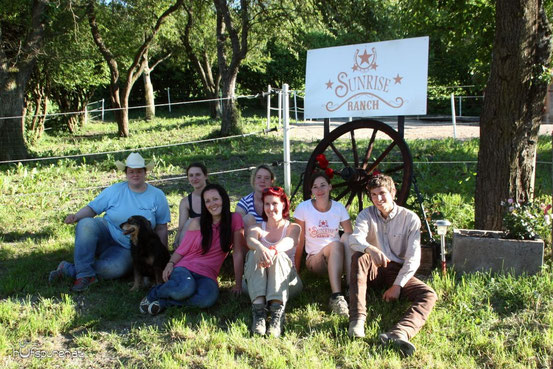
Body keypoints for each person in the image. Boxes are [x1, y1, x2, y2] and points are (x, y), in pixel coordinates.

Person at [48, 152, 171, 292]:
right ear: (126, 173)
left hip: (129, 246)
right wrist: (76, 216)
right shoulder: (115, 190)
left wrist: (164, 257)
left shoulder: (157, 195)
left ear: (145, 173)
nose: (135, 175)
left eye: (139, 171)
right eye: (131, 171)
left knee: (114, 270)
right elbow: (92, 208)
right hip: (107, 232)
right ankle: (84, 275)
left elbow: (161, 227)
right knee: (86, 224)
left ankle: (69, 269)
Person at [348, 174, 437, 357]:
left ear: (393, 192)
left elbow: (413, 258)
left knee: (428, 294)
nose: (378, 199)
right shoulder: (366, 214)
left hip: (397, 270)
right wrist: (370, 249)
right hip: (374, 266)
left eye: (382, 193)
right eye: (373, 195)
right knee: (359, 257)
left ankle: (400, 333)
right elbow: (354, 239)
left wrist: (397, 285)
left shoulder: (410, 219)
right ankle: (357, 320)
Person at [139, 183, 245, 315]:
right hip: (186, 268)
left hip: (208, 274)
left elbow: (238, 253)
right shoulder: (197, 223)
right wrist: (170, 264)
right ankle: (154, 294)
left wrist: (238, 284)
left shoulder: (235, 219)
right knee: (185, 289)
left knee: (207, 299)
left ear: (224, 199)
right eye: (207, 201)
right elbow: (183, 249)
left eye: (215, 199)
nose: (212, 204)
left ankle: (164, 303)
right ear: (204, 205)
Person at [244, 186, 302, 337]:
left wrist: (273, 250)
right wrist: (260, 247)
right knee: (254, 252)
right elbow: (250, 240)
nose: (270, 208)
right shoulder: (257, 227)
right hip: (257, 283)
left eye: (275, 203)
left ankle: (277, 313)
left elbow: (290, 241)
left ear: (283, 204)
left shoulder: (293, 227)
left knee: (280, 256)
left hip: (287, 284)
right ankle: (259, 313)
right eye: (267, 204)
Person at [294, 172, 352, 317]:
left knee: (348, 238)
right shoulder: (303, 208)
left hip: (337, 256)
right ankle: (336, 297)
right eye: (315, 187)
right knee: (336, 244)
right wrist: (296, 269)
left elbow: (350, 234)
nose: (319, 190)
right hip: (315, 259)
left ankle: (351, 287)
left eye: (323, 185)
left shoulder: (338, 208)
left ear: (330, 187)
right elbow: (299, 241)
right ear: (311, 191)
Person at [174, 162, 209, 248]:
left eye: (198, 174)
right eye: (191, 175)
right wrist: (176, 242)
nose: (194, 178)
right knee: (189, 223)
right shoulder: (186, 202)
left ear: (206, 176)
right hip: (197, 239)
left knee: (193, 221)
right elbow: (181, 228)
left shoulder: (216, 195)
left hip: (215, 235)